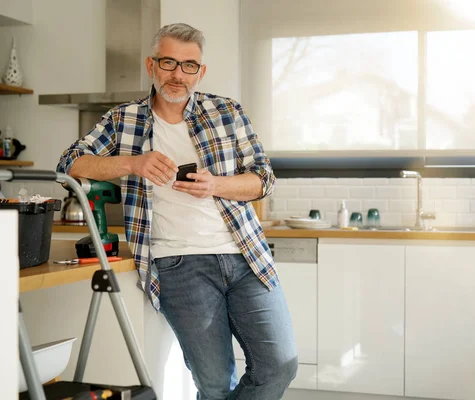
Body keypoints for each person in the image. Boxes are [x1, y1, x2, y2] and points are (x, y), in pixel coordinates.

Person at [57, 23, 297, 399]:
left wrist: (216, 185)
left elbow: (263, 179)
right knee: (215, 383)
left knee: (280, 364)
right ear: (151, 65)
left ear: (200, 72)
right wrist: (132, 164)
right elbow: (70, 164)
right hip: (178, 265)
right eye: (169, 63)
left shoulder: (226, 112)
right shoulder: (124, 120)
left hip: (245, 257)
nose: (177, 74)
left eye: (188, 65)